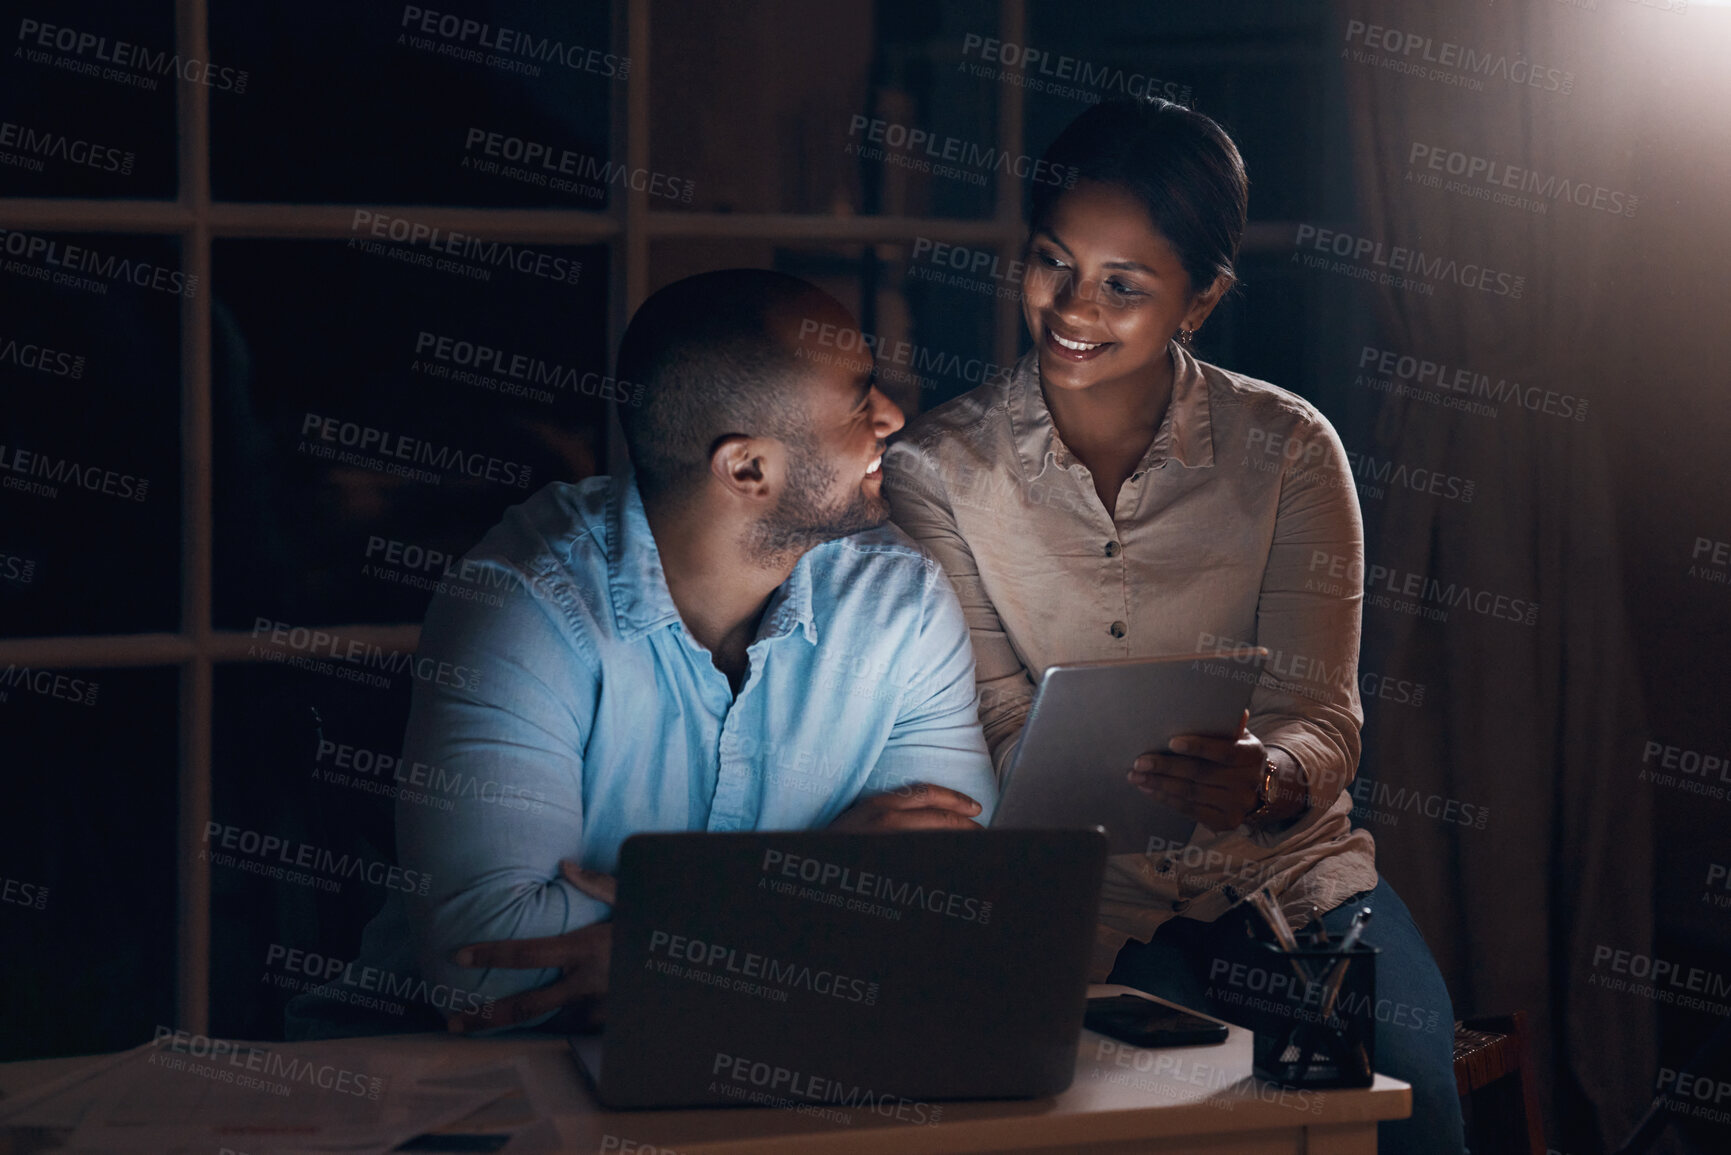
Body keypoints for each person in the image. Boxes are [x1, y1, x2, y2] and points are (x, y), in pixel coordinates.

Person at [883, 99, 1465, 1154]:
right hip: (1078, 903)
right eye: (1053, 262)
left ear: (1200, 303)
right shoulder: (938, 472)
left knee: (1397, 1110)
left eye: (1124, 285)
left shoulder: (1288, 452)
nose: (1071, 307)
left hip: (1293, 885)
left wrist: (1271, 776)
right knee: (1162, 1123)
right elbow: (998, 724)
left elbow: (1321, 718)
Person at [287, 269, 995, 1039]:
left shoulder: (901, 603)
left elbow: (949, 910)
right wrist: (815, 880)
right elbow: (490, 972)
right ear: (747, 469)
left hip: (765, 1056)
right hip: (451, 1085)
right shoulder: (523, 603)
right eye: (861, 402)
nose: (893, 418)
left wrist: (658, 945)